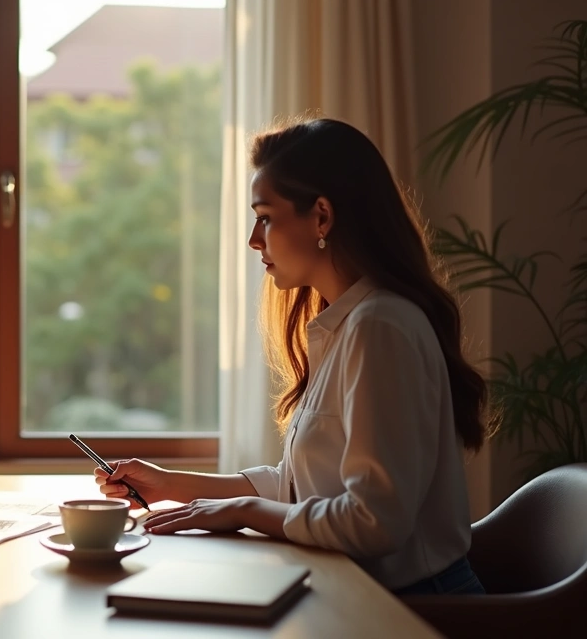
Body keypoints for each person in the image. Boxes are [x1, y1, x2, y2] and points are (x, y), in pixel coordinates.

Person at [95, 118, 493, 595]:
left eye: (265, 216)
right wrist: (170, 485)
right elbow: (301, 485)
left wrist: (246, 512)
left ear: (322, 217)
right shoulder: (347, 323)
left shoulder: (379, 327)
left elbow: (372, 523)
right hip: (364, 594)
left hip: (419, 611)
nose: (253, 240)